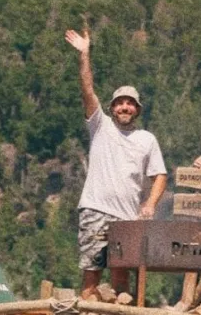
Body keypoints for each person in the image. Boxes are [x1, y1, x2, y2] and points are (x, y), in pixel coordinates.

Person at [65, 26, 167, 293]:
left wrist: (150, 204)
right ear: (111, 108)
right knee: (92, 273)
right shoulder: (100, 126)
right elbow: (87, 90)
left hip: (128, 218)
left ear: (137, 110)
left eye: (130, 103)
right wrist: (85, 55)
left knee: (122, 278)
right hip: (96, 210)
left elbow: (160, 176)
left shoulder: (147, 139)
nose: (125, 106)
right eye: (120, 102)